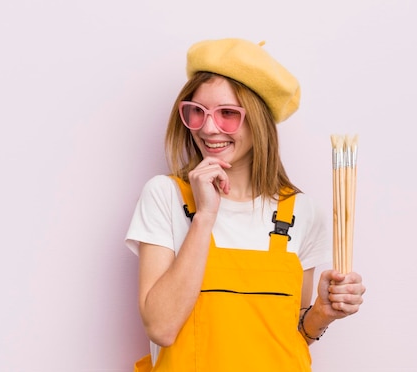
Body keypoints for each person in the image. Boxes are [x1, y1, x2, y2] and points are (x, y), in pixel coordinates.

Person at [125, 38, 365, 372]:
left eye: (227, 114)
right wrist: (205, 216)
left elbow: (290, 335)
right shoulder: (165, 196)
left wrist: (322, 313)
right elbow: (162, 328)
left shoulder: (301, 213)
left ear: (259, 120)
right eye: (197, 111)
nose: (208, 128)